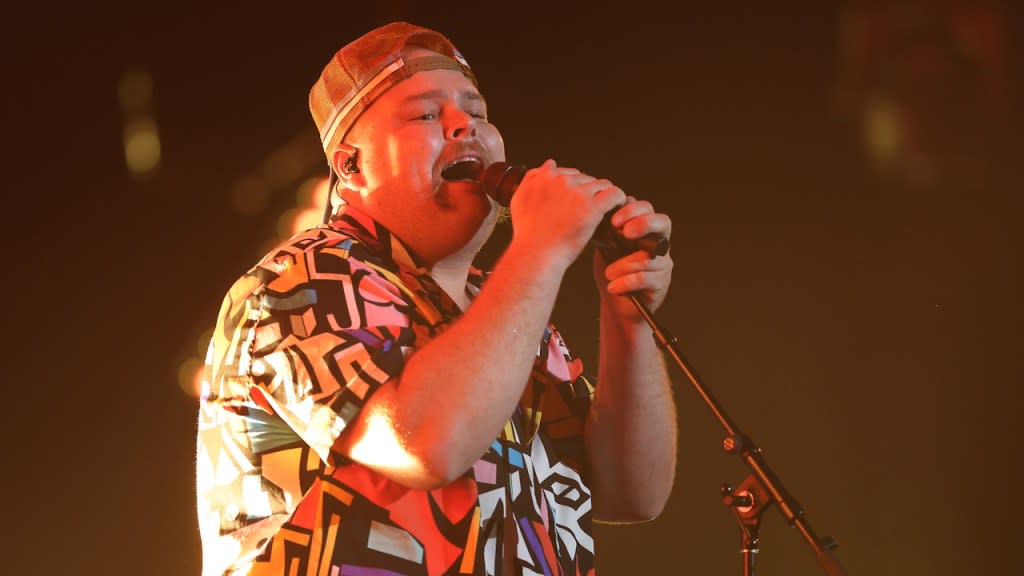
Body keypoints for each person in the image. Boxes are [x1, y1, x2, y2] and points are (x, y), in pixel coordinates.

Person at [196, 21, 677, 576]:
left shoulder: (508, 312)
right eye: (427, 114)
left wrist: (626, 314)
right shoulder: (299, 280)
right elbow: (425, 444)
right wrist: (541, 250)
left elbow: (630, 494)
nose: (462, 127)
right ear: (350, 165)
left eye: (476, 112)